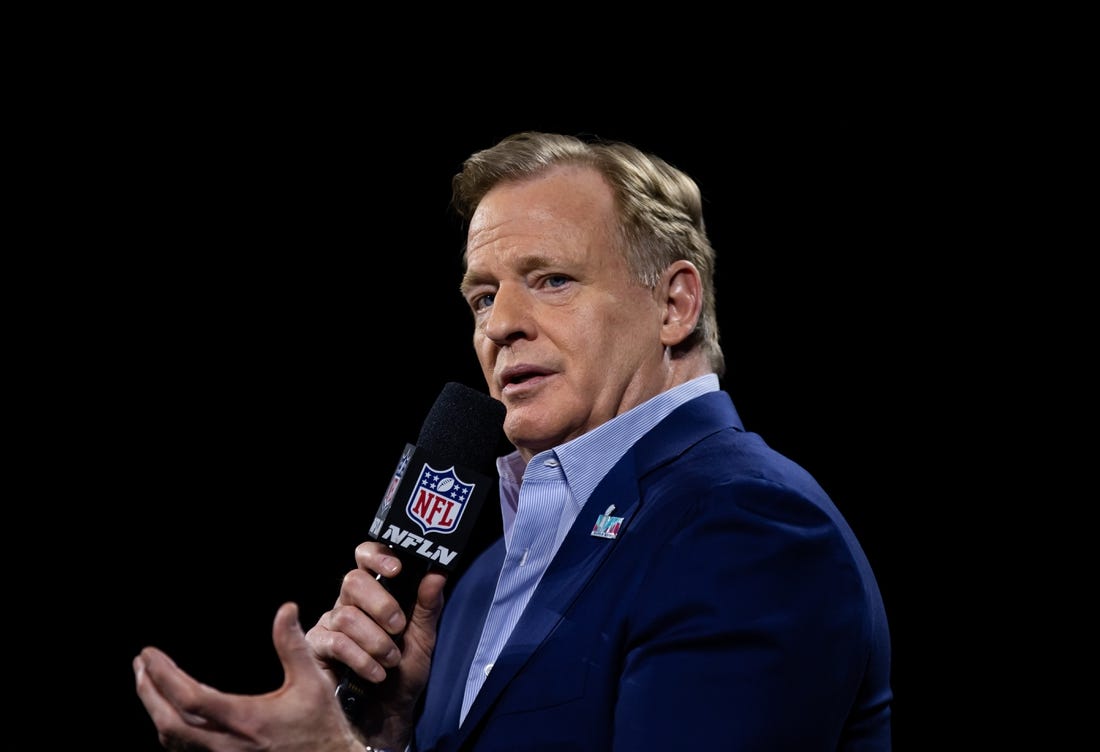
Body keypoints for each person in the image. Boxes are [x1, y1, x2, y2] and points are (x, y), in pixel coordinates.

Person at [133, 131, 893, 751]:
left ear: (675, 303)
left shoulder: (748, 526)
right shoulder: (478, 579)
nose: (499, 325)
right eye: (484, 295)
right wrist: (387, 733)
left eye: (552, 279)